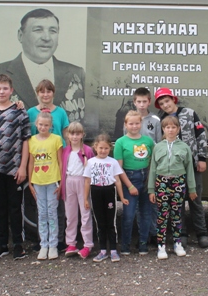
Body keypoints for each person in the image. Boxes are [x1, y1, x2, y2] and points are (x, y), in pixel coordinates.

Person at [0, 8, 85, 120]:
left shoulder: (76, 73)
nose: (47, 38)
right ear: (20, 35)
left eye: (53, 31)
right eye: (38, 30)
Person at [0, 74, 32, 260]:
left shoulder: (20, 112)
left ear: (11, 90)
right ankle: (1, 244)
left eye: (5, 88)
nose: (1, 92)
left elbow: (26, 140)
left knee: (15, 208)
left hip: (14, 169)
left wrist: (23, 166)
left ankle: (18, 244)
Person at [154, 87, 208, 248]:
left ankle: (202, 234)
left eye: (167, 101)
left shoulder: (189, 113)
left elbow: (200, 135)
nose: (165, 105)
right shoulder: (161, 119)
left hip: (192, 165)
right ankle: (182, 234)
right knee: (177, 203)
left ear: (173, 99)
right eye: (161, 103)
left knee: (195, 199)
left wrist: (202, 158)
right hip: (173, 169)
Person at [148, 116, 197, 260]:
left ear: (178, 129)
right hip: (161, 182)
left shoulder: (184, 147)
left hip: (178, 182)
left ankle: (177, 243)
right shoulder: (158, 147)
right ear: (163, 129)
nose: (170, 130)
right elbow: (153, 169)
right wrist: (151, 189)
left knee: (176, 214)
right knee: (162, 215)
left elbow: (189, 169)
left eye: (173, 127)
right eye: (167, 127)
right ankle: (161, 245)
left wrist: (192, 188)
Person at [83, 134, 129, 263]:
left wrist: (122, 197)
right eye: (101, 148)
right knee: (100, 223)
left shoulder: (113, 162)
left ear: (110, 148)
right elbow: (87, 181)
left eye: (106, 148)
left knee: (111, 222)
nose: (103, 151)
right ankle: (103, 250)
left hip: (109, 191)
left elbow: (118, 181)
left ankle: (113, 250)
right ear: (95, 147)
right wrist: (85, 199)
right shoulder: (90, 162)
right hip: (96, 192)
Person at [114, 111, 154, 255]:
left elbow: (153, 163)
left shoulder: (148, 141)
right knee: (129, 215)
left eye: (137, 123)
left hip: (146, 178)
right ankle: (125, 245)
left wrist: (151, 184)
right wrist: (129, 186)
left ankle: (143, 243)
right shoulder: (120, 142)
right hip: (129, 178)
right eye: (131, 123)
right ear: (126, 124)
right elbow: (118, 168)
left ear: (141, 124)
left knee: (145, 214)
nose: (134, 126)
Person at [27, 111, 63, 261]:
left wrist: (61, 182)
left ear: (51, 126)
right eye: (41, 124)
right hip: (38, 181)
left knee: (52, 213)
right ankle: (44, 244)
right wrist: (30, 182)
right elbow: (31, 162)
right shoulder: (31, 141)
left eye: (46, 125)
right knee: (42, 213)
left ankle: (53, 245)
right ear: (36, 124)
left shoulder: (56, 139)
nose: (43, 127)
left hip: (53, 181)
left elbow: (60, 161)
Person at [128, 87, 162, 245]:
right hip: (135, 167)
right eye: (138, 101)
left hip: (151, 166)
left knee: (152, 201)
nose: (141, 104)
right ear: (134, 102)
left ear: (149, 102)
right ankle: (143, 235)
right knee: (137, 204)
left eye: (144, 101)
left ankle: (154, 233)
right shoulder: (129, 119)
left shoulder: (155, 120)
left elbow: (159, 144)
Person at [61, 121, 94, 260]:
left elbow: (92, 168)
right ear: (68, 135)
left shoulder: (87, 150)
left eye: (78, 134)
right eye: (72, 134)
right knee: (70, 215)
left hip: (83, 182)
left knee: (85, 213)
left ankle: (88, 244)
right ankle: (71, 243)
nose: (74, 136)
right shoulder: (65, 151)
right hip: (69, 181)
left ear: (82, 135)